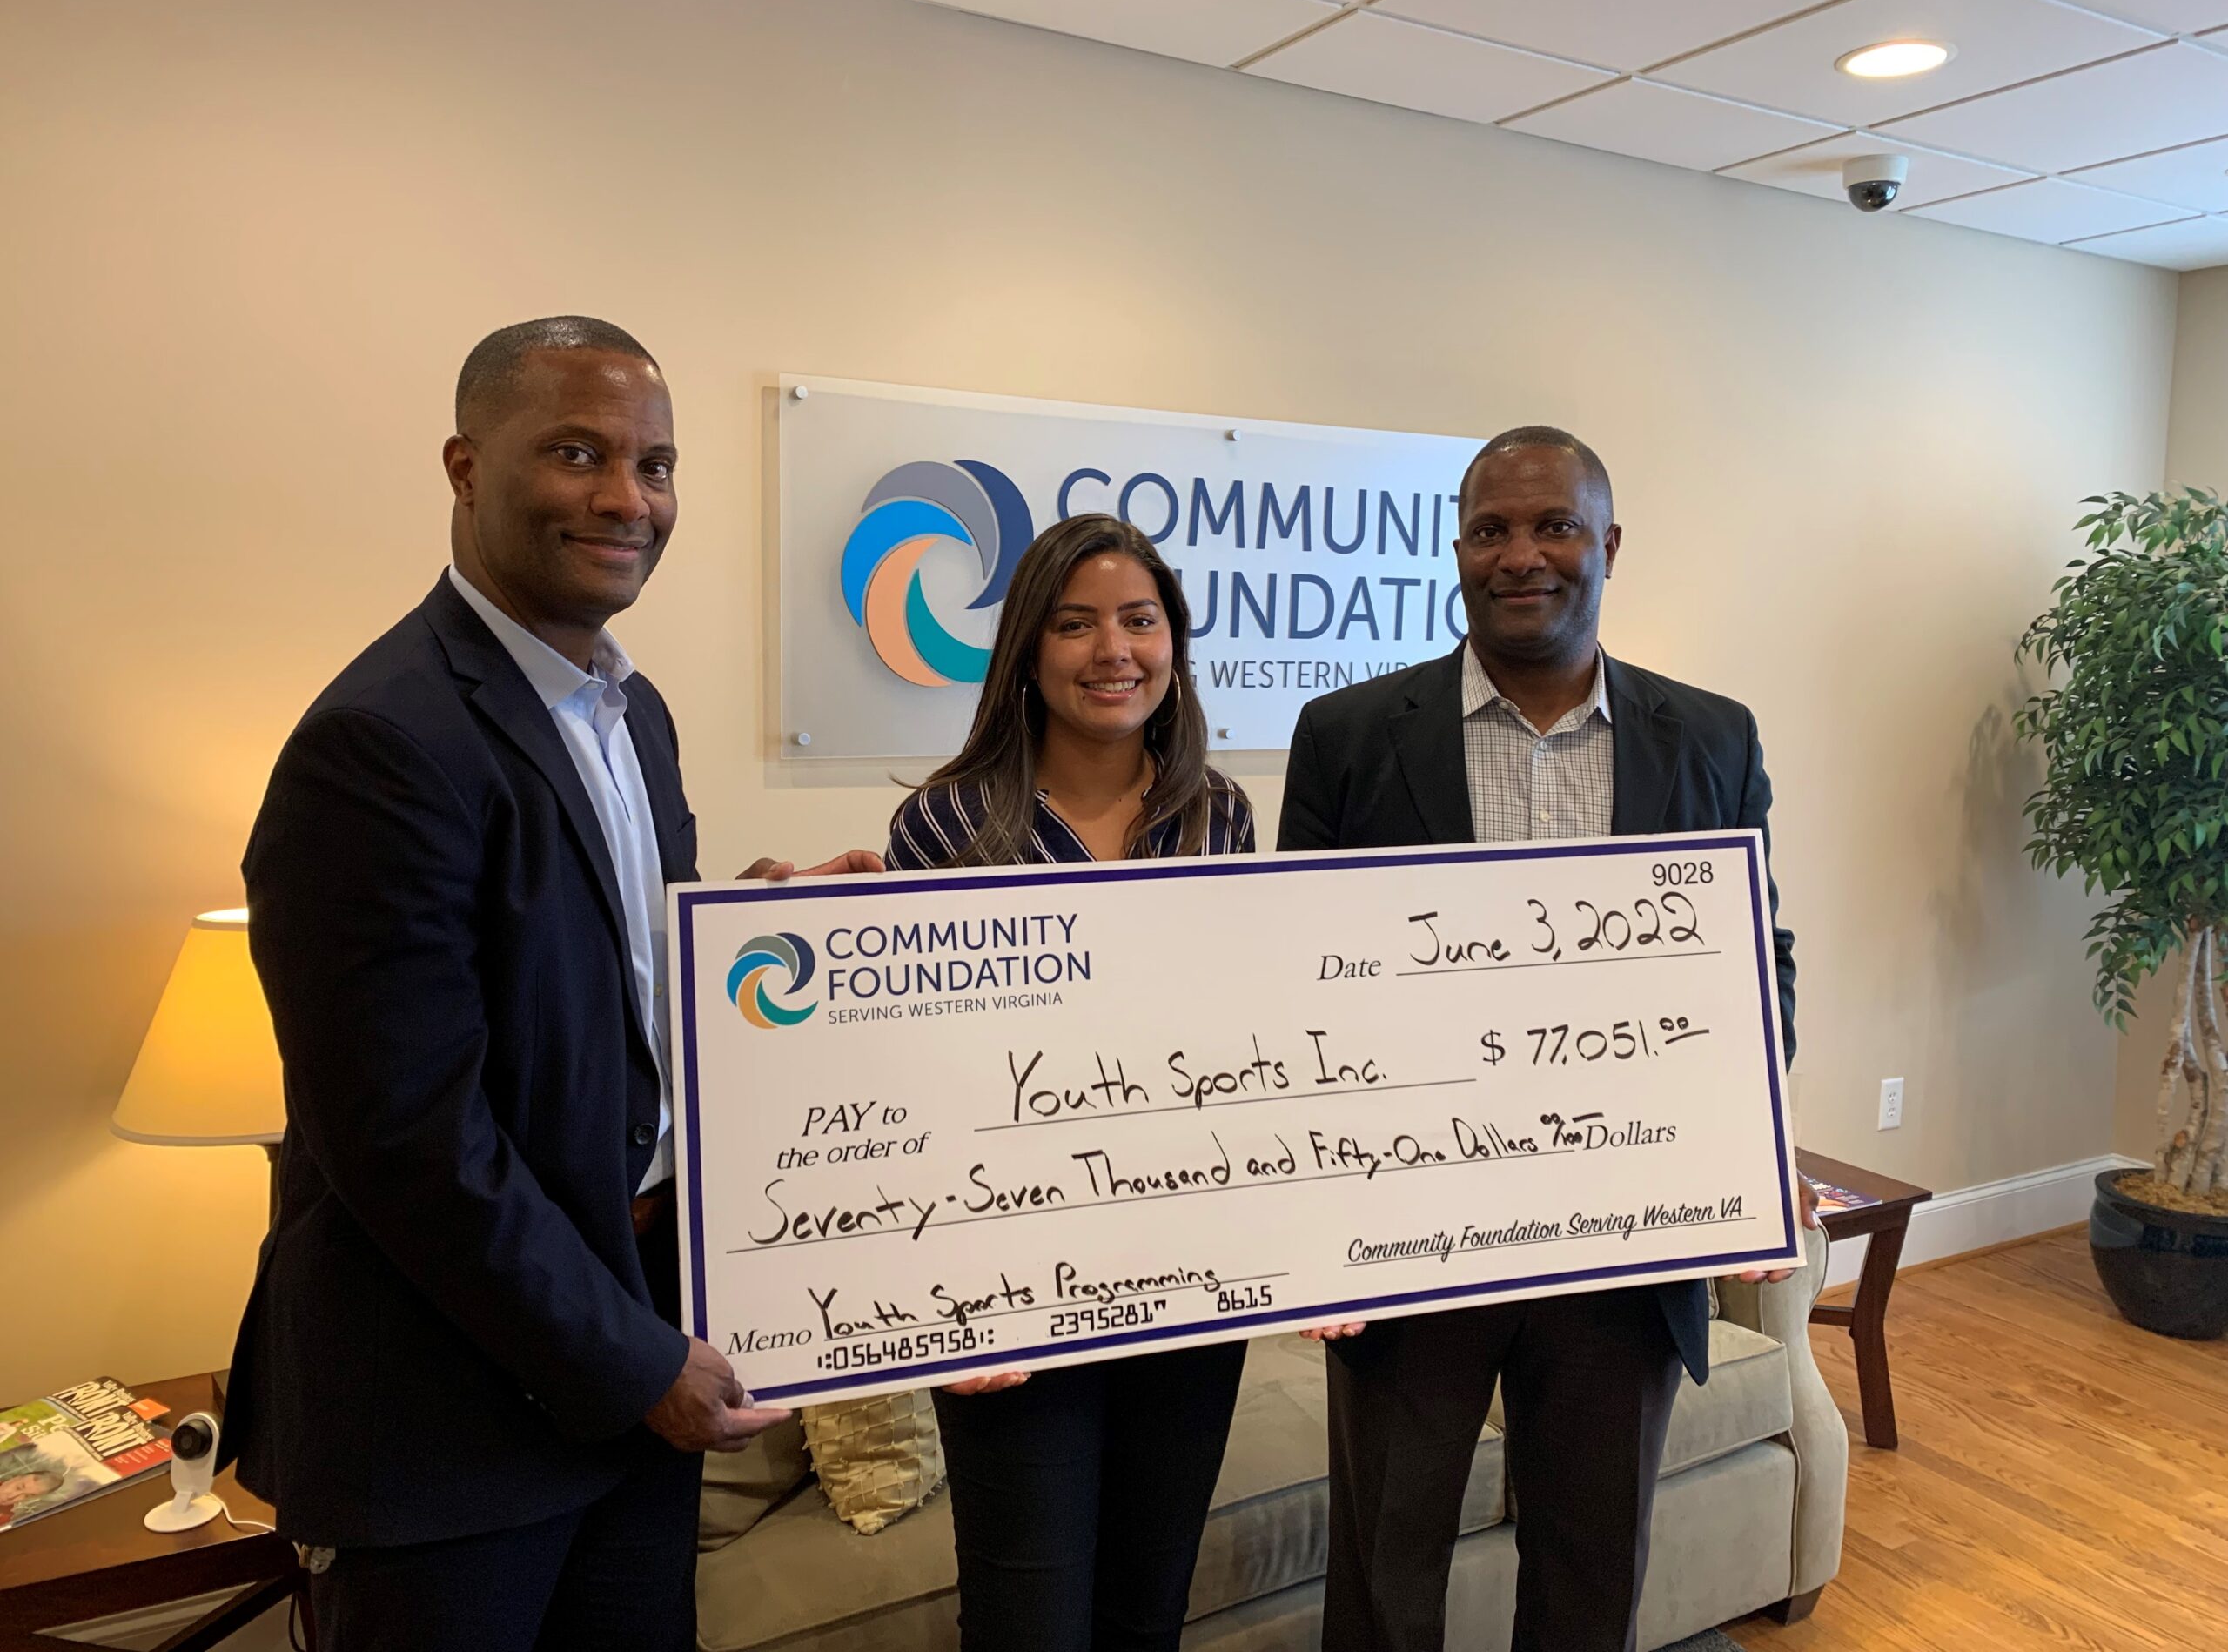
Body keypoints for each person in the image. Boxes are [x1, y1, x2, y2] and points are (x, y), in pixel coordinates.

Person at [224, 317, 876, 1650]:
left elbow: (603, 984)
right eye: (577, 453)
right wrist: (639, 1366)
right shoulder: (381, 742)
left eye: (656, 463)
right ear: (465, 467)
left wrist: (740, 934)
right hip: (453, 1416)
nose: (627, 499)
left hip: (629, 1346)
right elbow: (406, 1137)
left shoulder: (630, 712)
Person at [1279, 426, 1819, 1652]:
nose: (1523, 556)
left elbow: (1753, 961)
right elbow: (1293, 985)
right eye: (1491, 531)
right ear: (1457, 550)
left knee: (1591, 1570)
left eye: (1554, 526)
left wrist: (1752, 1133)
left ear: (1608, 545)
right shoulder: (1350, 735)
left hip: (1622, 1244)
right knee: (1384, 1571)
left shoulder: (1712, 737)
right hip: (1408, 1237)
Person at [884, 514, 1255, 1651]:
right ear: (1028, 653)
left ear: (1174, 645)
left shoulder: (1220, 816)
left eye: (1140, 621)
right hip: (1010, 1305)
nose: (1114, 650)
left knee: (1148, 1611)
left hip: (1184, 1292)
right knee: (1026, 1617)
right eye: (1076, 623)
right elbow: (917, 1094)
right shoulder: (945, 825)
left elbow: (1253, 1060)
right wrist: (954, 1307)